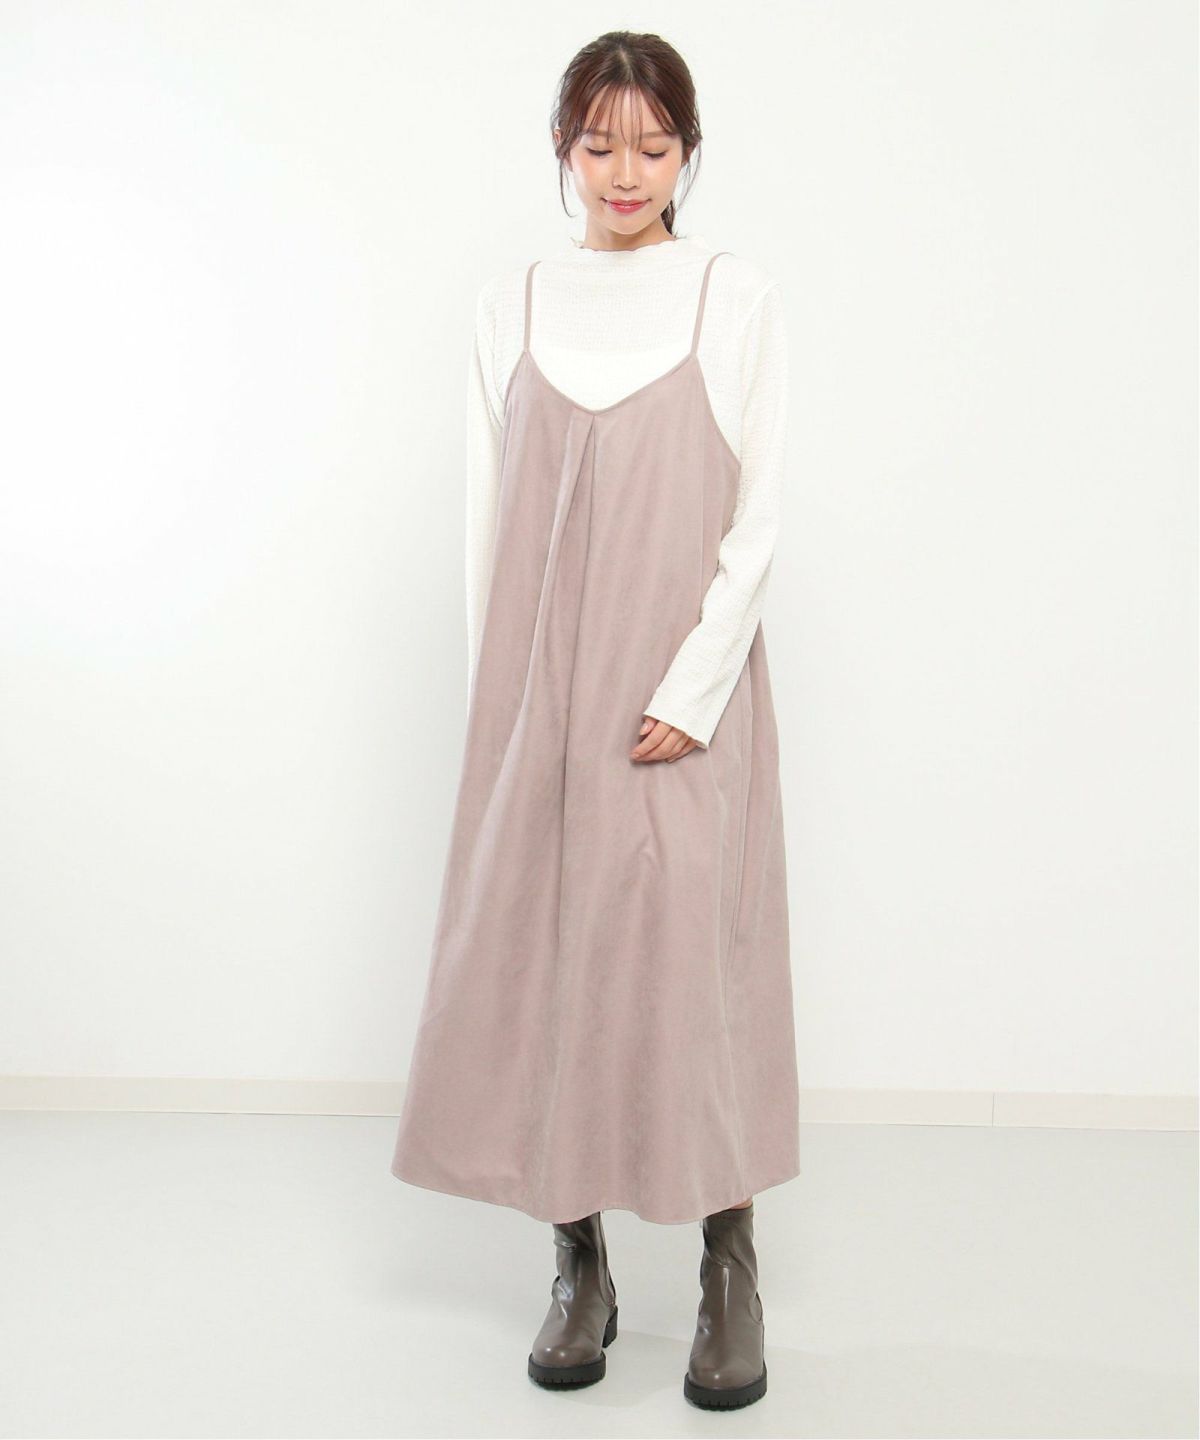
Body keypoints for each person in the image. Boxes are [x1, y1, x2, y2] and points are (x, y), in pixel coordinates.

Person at [391, 29, 800, 1412]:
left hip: (680, 704)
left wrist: (693, 691)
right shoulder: (510, 300)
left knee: (694, 975)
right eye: (598, 143)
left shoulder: (732, 298)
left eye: (653, 145)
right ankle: (579, 1261)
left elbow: (759, 522)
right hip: (543, 705)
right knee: (544, 964)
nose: (625, 173)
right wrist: (501, 707)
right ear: (563, 148)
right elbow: (484, 519)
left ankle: (729, 1266)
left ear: (688, 152)